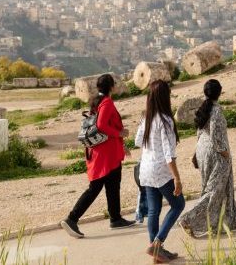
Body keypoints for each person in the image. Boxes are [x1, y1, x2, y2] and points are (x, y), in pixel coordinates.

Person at [60, 74, 136, 238]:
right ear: (112, 86)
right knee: (95, 187)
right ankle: (72, 218)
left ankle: (115, 218)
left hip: (105, 152)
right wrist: (119, 133)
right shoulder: (107, 102)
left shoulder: (97, 101)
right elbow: (102, 125)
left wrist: (122, 145)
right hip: (106, 154)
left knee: (113, 184)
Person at [179, 79, 236, 238]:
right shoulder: (216, 111)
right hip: (216, 153)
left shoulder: (203, 109)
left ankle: (226, 220)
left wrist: (195, 153)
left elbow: (200, 132)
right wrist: (224, 152)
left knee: (214, 186)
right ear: (219, 92)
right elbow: (215, 134)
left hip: (202, 151)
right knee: (215, 189)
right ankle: (189, 219)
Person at [135, 80, 186, 263]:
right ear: (165, 96)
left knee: (154, 211)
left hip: (146, 169)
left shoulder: (146, 117)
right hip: (161, 171)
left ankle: (157, 253)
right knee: (178, 205)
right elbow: (169, 154)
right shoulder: (165, 120)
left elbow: (138, 141)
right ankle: (157, 244)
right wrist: (177, 178)